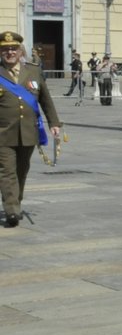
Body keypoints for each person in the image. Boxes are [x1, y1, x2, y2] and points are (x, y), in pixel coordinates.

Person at [0, 31, 61, 228]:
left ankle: (16, 201)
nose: (9, 52)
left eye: (13, 49)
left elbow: (45, 99)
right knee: (6, 172)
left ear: (20, 51)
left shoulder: (33, 71)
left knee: (21, 170)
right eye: (5, 49)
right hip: (3, 133)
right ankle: (11, 210)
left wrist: (54, 123)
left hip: (28, 131)